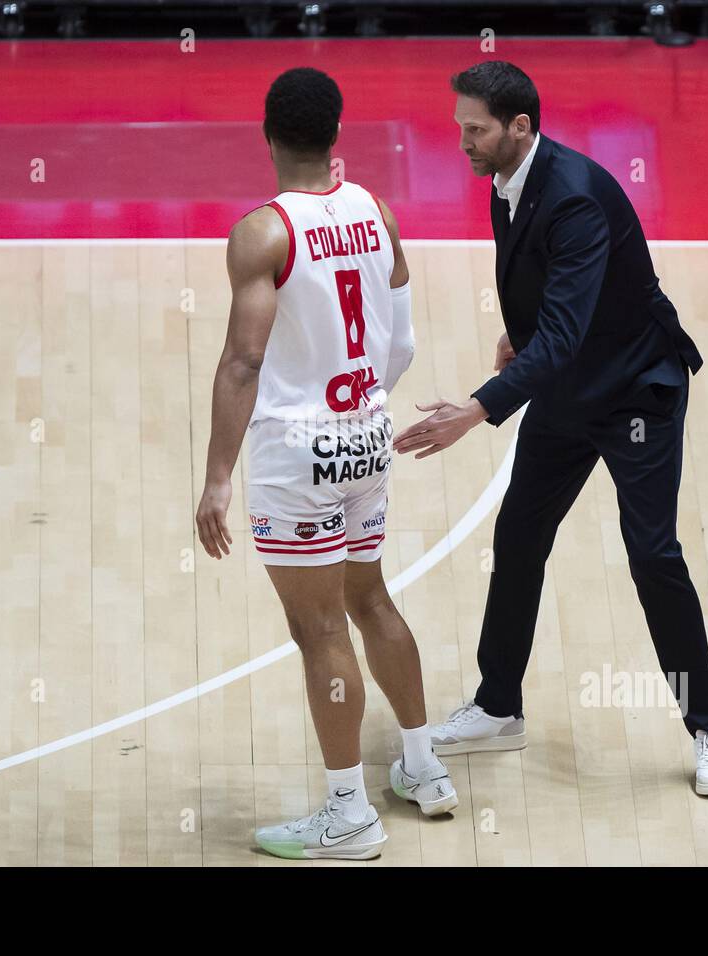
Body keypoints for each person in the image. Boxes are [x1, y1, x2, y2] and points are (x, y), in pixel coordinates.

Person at [391, 61, 708, 796]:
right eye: (460, 128)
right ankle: (497, 706)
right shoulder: (505, 182)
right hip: (569, 388)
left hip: (636, 394)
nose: (462, 142)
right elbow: (541, 297)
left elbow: (569, 332)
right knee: (519, 535)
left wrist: (480, 407)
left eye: (475, 129)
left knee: (652, 553)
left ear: (520, 127)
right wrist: (520, 335)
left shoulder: (576, 199)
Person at [195, 67, 458, 861]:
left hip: (298, 453)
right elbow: (402, 343)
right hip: (368, 435)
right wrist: (363, 404)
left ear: (268, 135)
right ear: (338, 133)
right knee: (373, 598)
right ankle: (424, 769)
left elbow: (243, 362)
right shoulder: (376, 210)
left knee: (318, 631)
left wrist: (215, 478)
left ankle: (349, 812)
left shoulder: (263, 232)